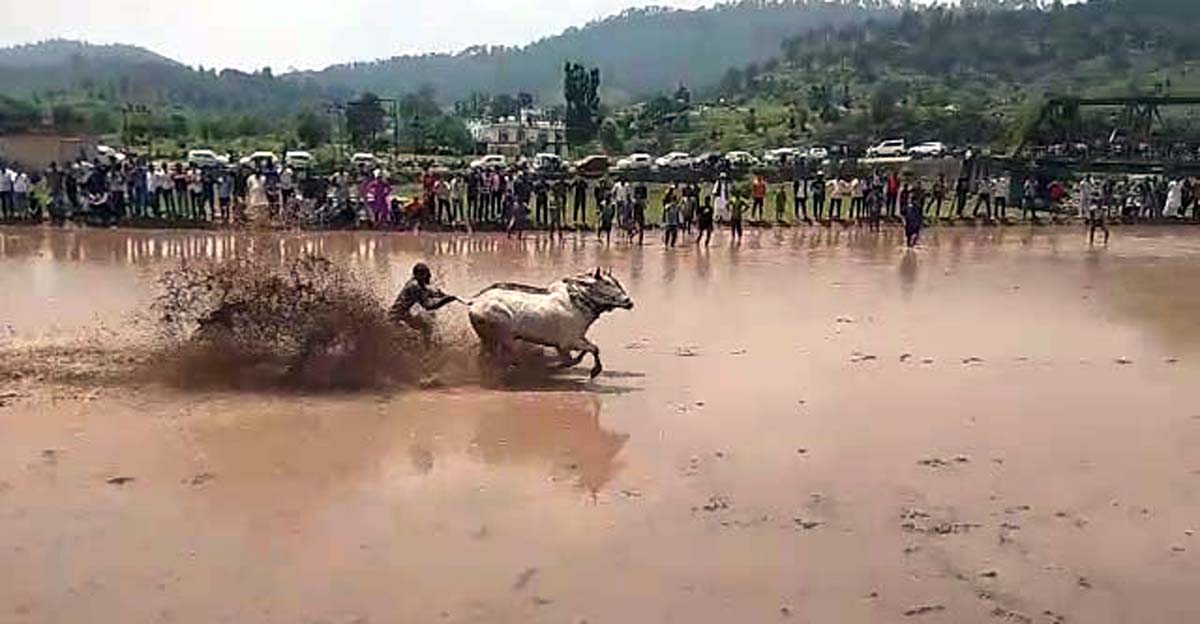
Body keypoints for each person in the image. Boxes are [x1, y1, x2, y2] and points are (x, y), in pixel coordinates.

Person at [388, 263, 460, 345]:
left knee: (426, 325)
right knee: (423, 329)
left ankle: (425, 348)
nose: (429, 276)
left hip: (404, 314)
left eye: (428, 273)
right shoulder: (414, 286)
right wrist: (447, 299)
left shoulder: (415, 281)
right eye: (426, 275)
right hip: (397, 317)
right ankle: (427, 351)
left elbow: (428, 291)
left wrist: (443, 295)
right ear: (418, 275)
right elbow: (428, 306)